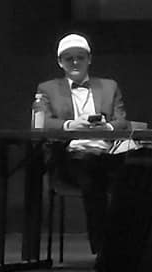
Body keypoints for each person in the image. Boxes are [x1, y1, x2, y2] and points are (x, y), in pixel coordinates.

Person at [36, 33, 130, 255]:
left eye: (80, 57)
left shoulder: (109, 86)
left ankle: (133, 247)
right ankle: (104, 250)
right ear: (60, 62)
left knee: (140, 171)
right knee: (92, 173)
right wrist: (71, 125)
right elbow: (42, 123)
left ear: (89, 59)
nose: (75, 62)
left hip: (108, 153)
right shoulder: (47, 88)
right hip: (72, 156)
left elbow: (122, 122)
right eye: (69, 58)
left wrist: (106, 127)